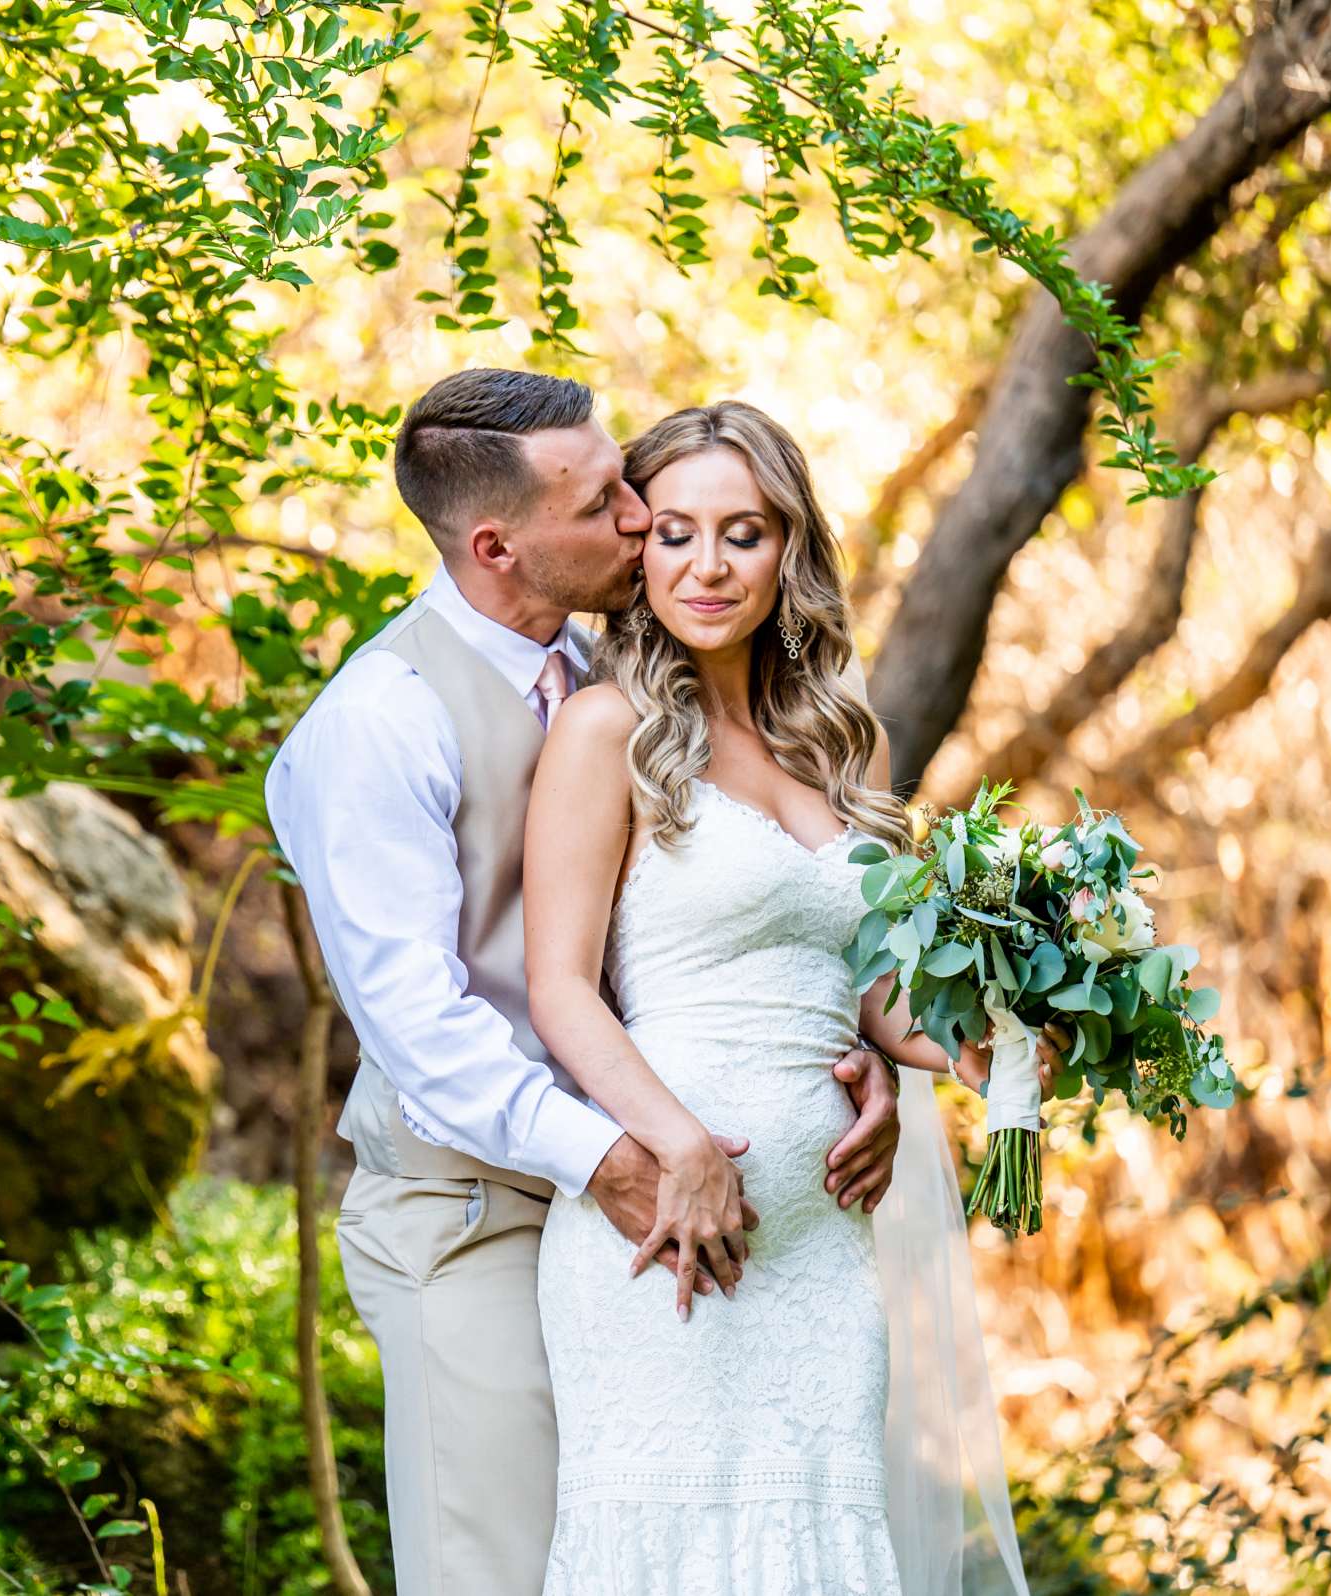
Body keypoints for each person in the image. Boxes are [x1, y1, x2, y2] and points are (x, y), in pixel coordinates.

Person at [265, 371, 904, 1596]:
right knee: (505, 1573)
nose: (638, 516)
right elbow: (422, 1033)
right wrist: (624, 1157)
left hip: (677, 1203)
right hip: (474, 1213)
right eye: (610, 500)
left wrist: (848, 1059)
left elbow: (725, 930)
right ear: (498, 543)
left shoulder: (618, 670)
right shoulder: (380, 726)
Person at [525, 400, 1034, 1594]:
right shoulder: (607, 731)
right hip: (673, 1238)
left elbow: (877, 994)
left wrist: (992, 1047)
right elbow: (559, 988)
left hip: (822, 1260)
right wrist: (681, 1143)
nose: (708, 566)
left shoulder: (836, 748)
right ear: (636, 549)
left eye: (743, 534)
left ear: (788, 551)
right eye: (678, 534)